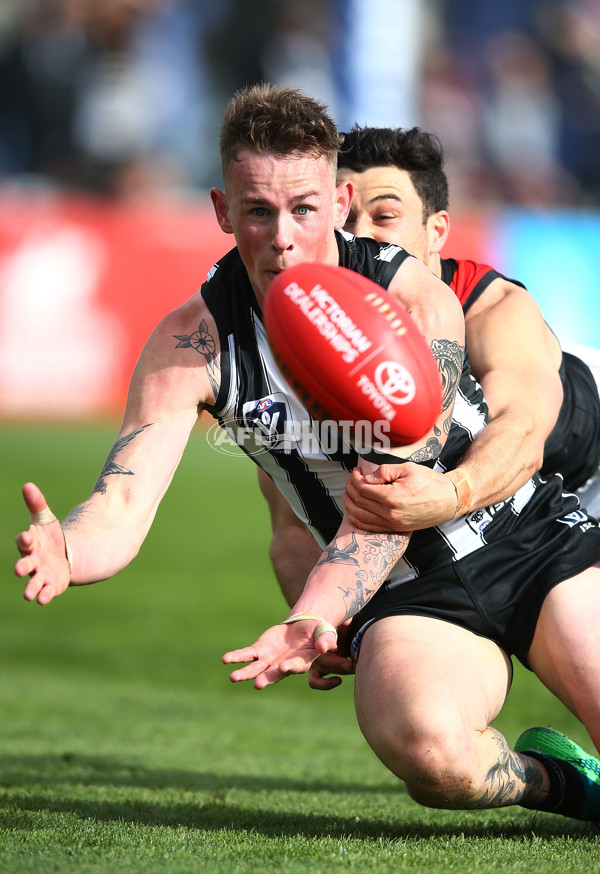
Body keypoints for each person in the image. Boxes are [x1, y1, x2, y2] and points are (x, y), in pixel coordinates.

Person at [13, 84, 600, 825]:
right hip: (406, 599)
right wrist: (71, 545)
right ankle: (565, 784)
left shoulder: (413, 296)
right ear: (225, 213)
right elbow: (124, 501)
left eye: (304, 210)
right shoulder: (191, 345)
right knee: (434, 756)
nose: (283, 237)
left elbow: (391, 497)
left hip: (526, 540)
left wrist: (318, 611)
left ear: (339, 198)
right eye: (258, 212)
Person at [258, 124, 600, 606]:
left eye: (385, 216)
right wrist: (327, 623)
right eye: (345, 215)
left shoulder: (491, 308)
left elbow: (520, 433)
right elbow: (291, 517)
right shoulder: (315, 330)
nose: (359, 234)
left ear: (436, 230)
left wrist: (451, 493)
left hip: (581, 467)